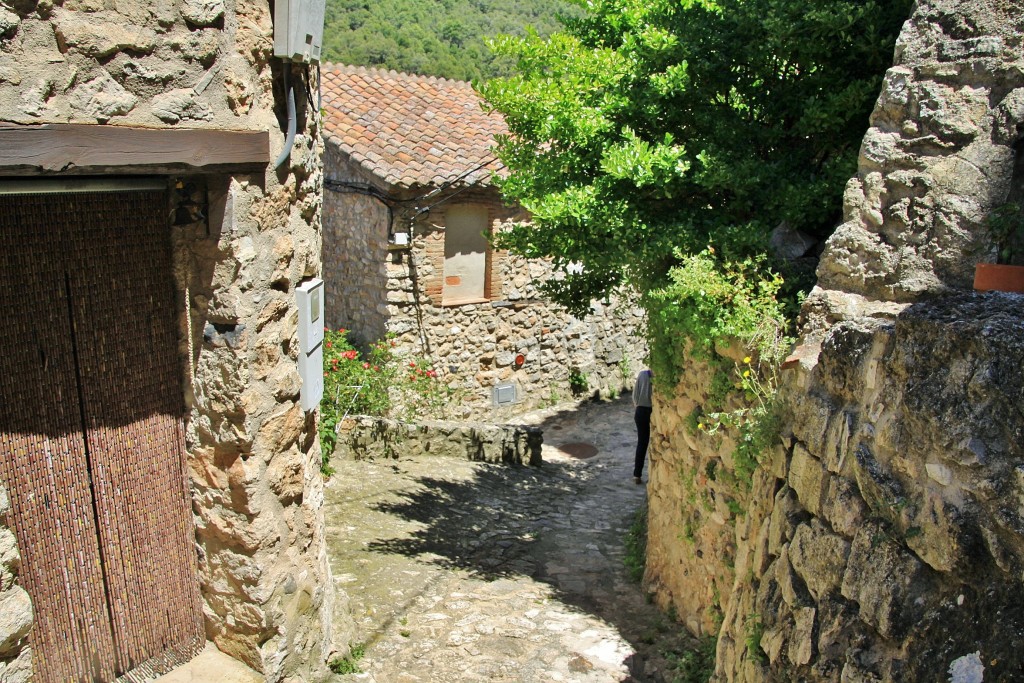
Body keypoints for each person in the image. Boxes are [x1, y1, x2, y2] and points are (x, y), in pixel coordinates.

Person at [632, 368, 653, 484]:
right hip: (652, 411)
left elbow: (635, 396)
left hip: (640, 411)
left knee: (642, 443)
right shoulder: (657, 377)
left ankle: (637, 474)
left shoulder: (642, 374)